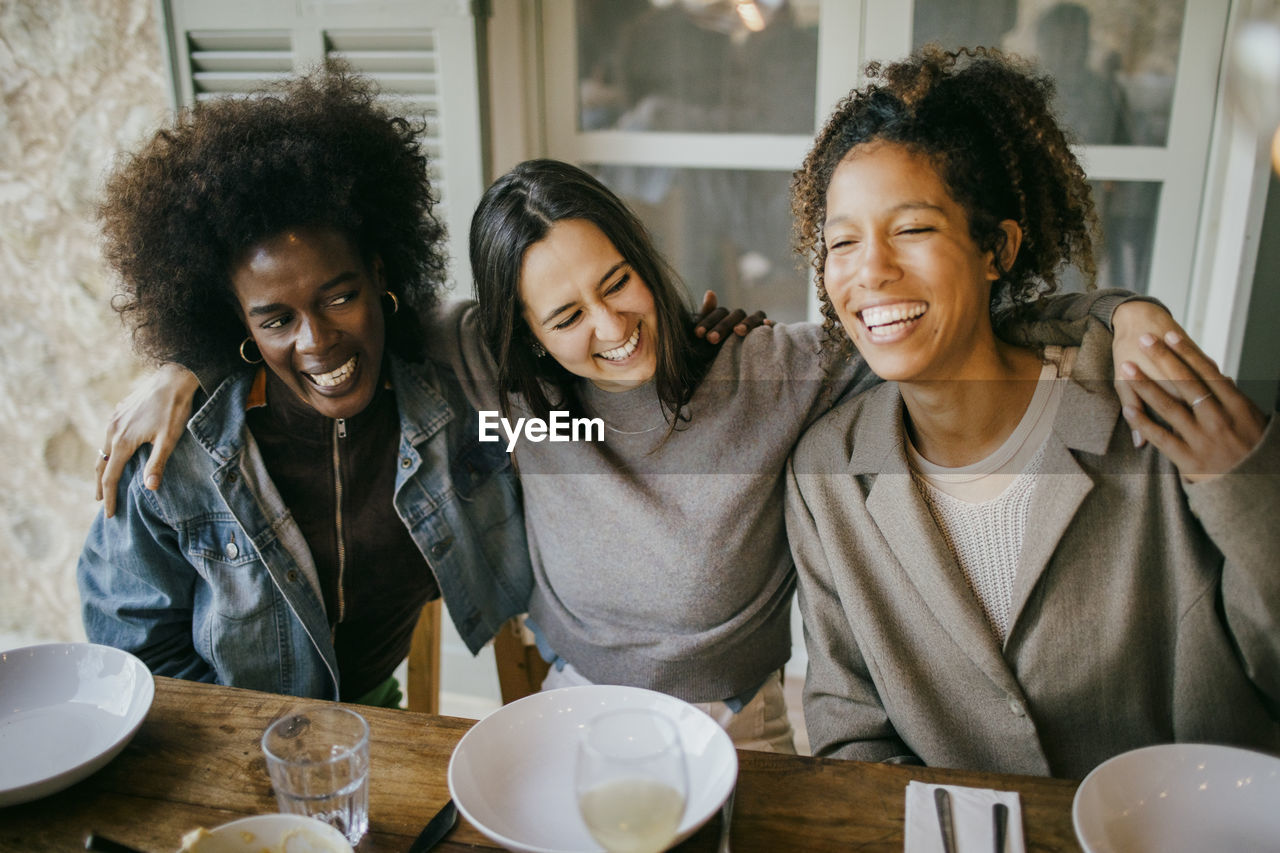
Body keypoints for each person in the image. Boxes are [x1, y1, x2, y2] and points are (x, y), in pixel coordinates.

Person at [96, 153, 1181, 750]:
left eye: (617, 282)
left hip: (752, 716)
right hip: (570, 699)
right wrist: (187, 363)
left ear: (645, 260)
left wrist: (1115, 310)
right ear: (519, 336)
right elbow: (314, 334)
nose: (610, 330)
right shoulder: (501, 384)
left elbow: (931, 318)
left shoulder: (766, 372)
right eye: (563, 317)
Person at [785, 47, 1279, 777]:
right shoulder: (827, 474)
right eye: (842, 242)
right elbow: (848, 726)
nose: (871, 271)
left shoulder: (1144, 403)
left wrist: (1248, 485)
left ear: (997, 248)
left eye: (914, 229)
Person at [78, 68, 534, 706]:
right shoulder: (171, 455)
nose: (316, 341)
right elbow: (130, 653)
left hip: (379, 713)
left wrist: (696, 348)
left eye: (340, 296)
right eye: (277, 319)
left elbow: (582, 403)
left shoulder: (454, 399)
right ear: (239, 325)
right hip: (226, 740)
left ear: (380, 274)